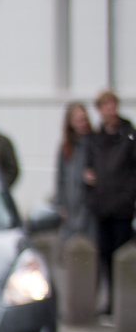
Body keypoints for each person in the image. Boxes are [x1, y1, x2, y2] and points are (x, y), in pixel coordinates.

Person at [85, 90, 136, 313]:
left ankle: (124, 302)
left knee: (122, 255)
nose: (110, 110)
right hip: (102, 206)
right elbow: (88, 169)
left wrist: (128, 196)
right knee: (104, 255)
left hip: (122, 206)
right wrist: (91, 191)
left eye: (112, 105)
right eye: (106, 106)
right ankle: (111, 301)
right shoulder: (96, 138)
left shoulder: (128, 135)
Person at [55, 102, 97, 246]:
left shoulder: (94, 143)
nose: (81, 124)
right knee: (70, 246)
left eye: (83, 119)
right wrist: (60, 204)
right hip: (70, 207)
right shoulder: (66, 148)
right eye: (77, 120)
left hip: (89, 207)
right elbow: (60, 178)